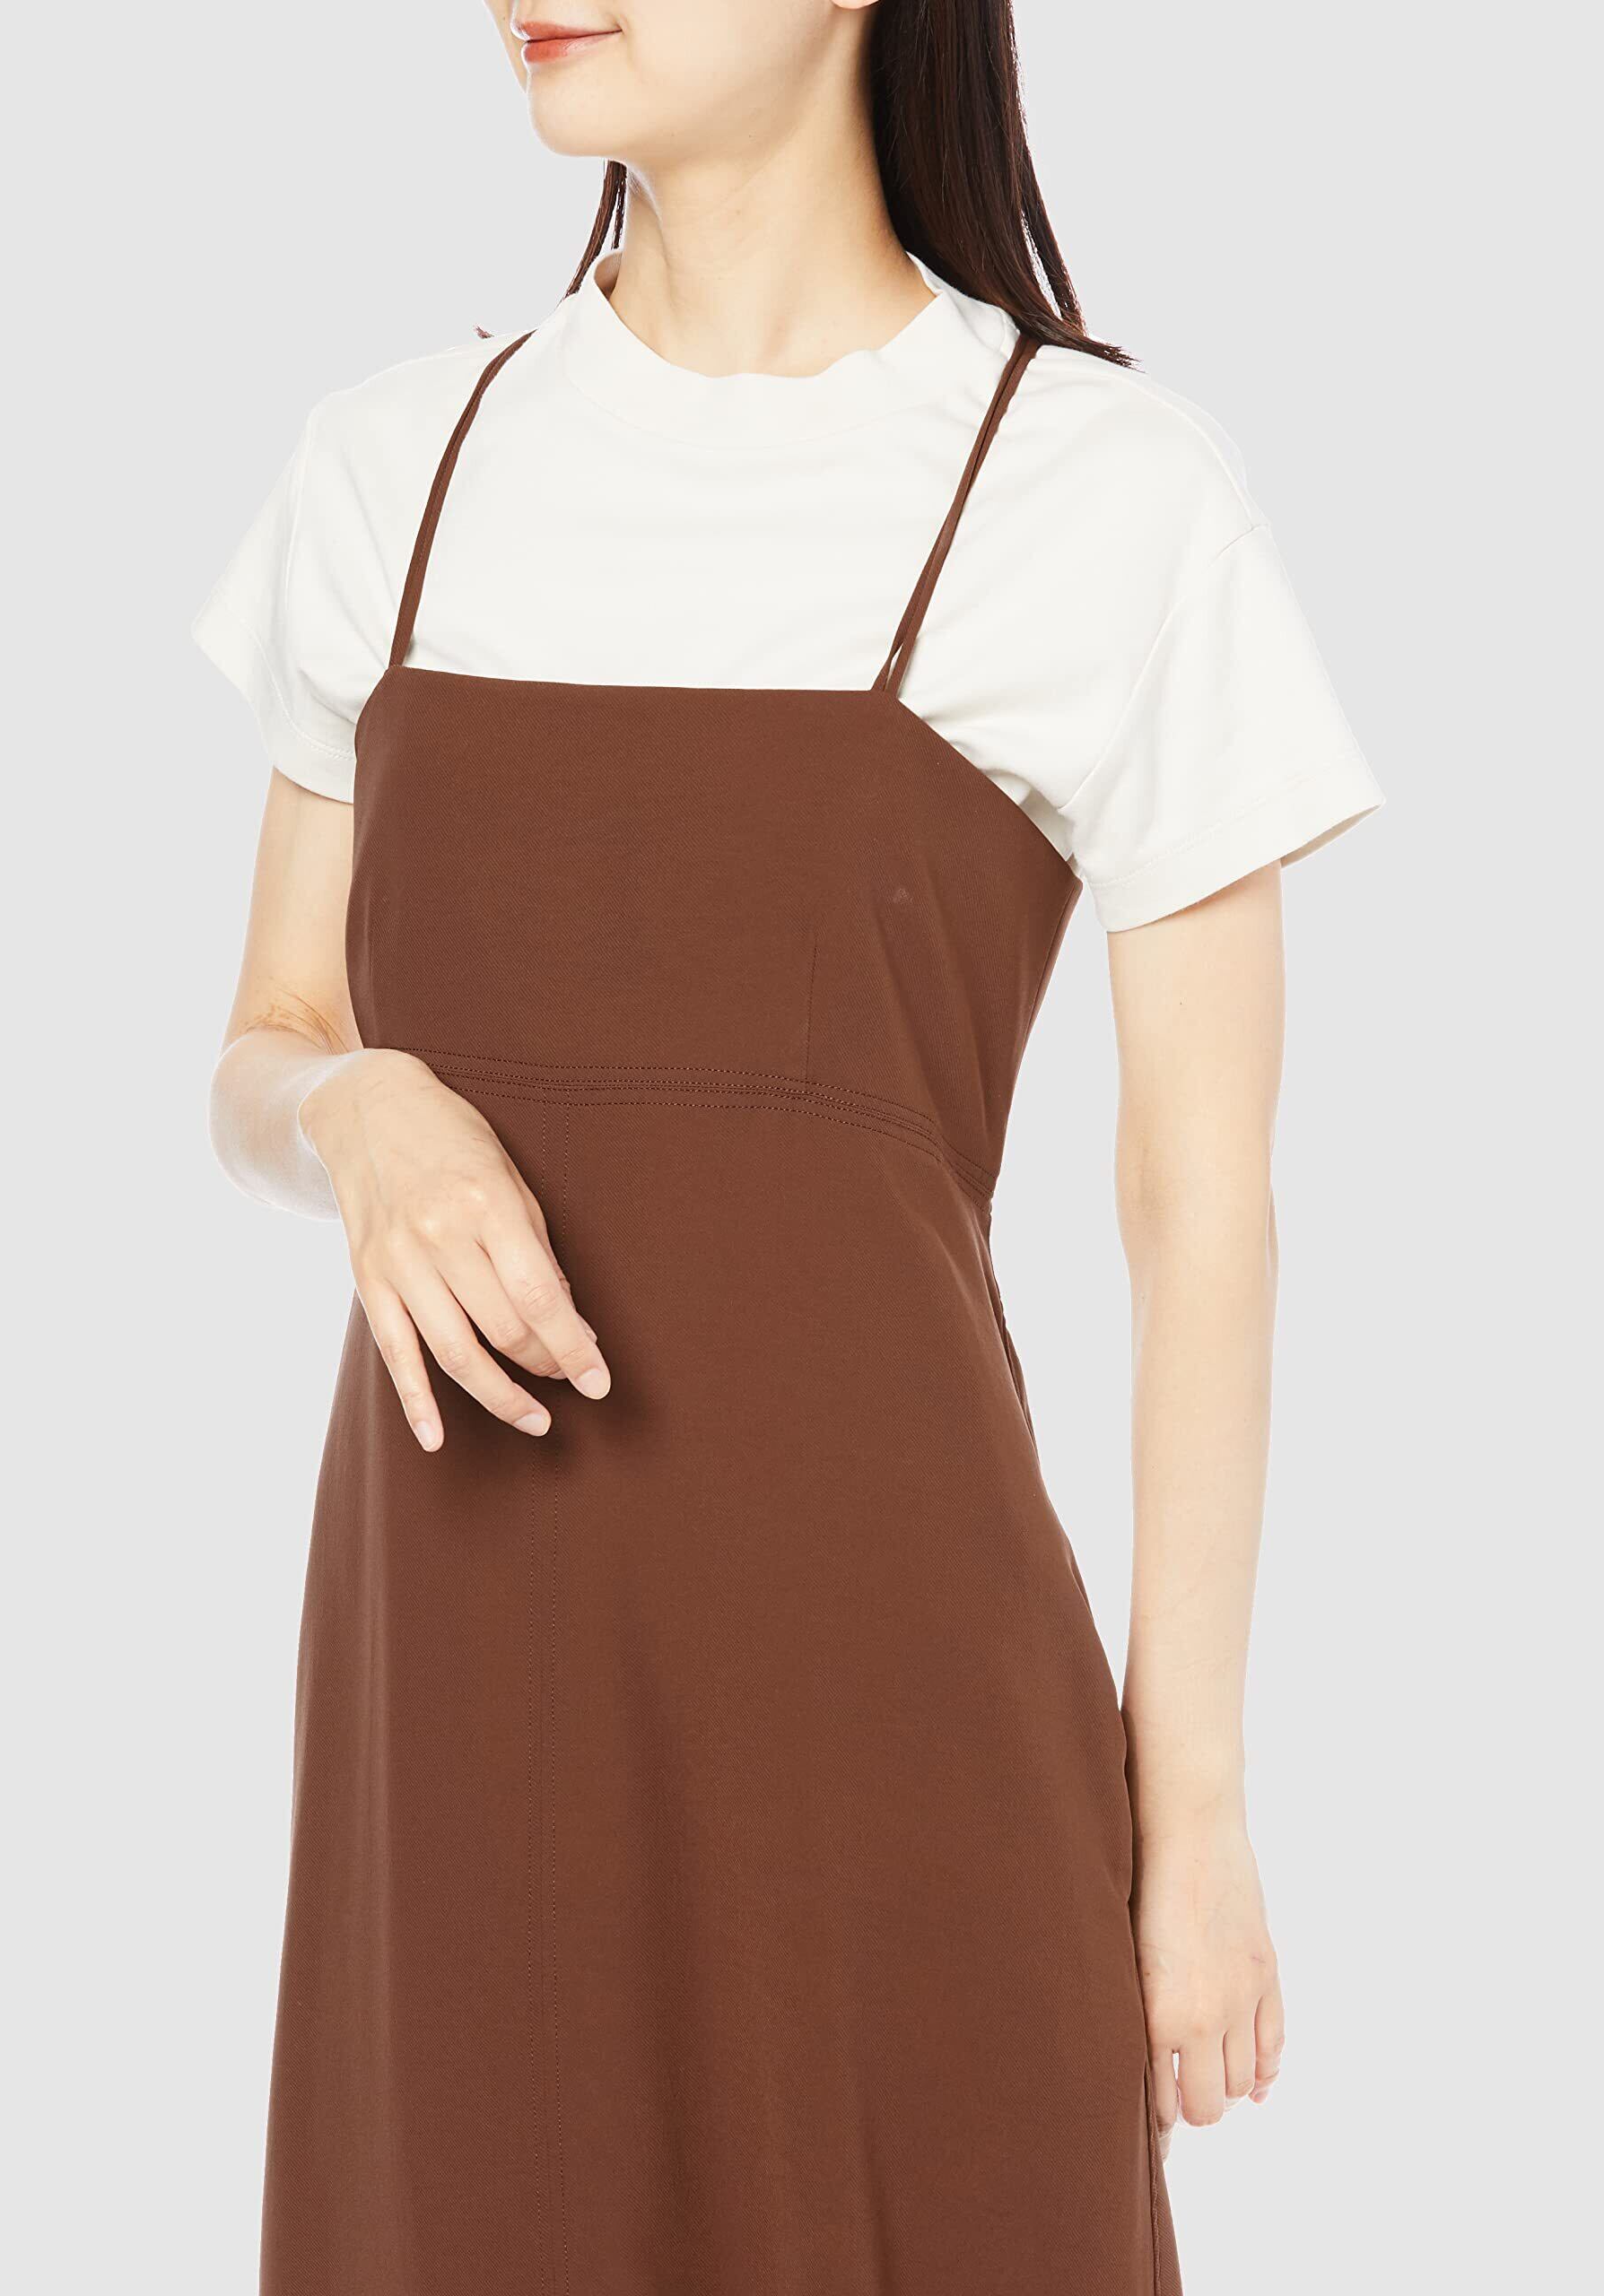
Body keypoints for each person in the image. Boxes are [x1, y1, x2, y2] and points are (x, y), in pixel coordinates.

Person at [195, 4, 1381, 2288]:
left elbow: (1198, 1206)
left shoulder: (1094, 488)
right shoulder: (398, 464)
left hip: (891, 1690)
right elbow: (269, 1033)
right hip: (466, 1689)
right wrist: (353, 1109)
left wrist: (1196, 1807)